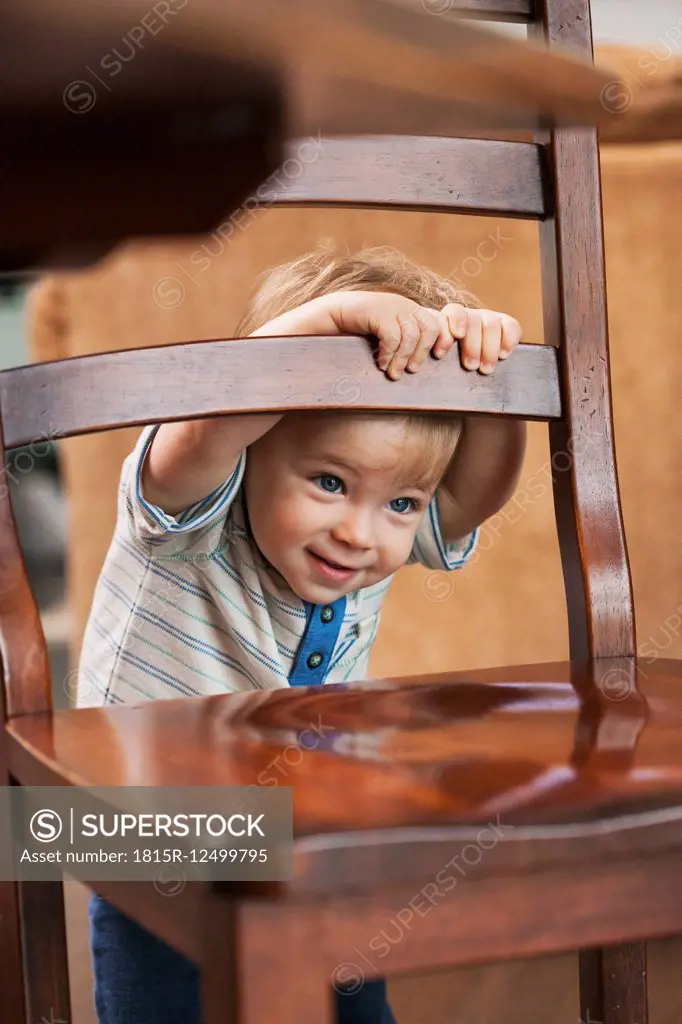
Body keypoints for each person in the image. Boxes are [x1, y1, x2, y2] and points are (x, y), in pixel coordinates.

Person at [78, 245, 527, 1024]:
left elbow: (476, 493)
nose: (360, 534)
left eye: (401, 504)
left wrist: (489, 380)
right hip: (146, 823)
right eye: (330, 482)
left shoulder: (376, 539)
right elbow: (211, 424)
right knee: (163, 1003)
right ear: (254, 446)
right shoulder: (191, 505)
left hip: (300, 823)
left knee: (353, 984)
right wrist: (325, 325)